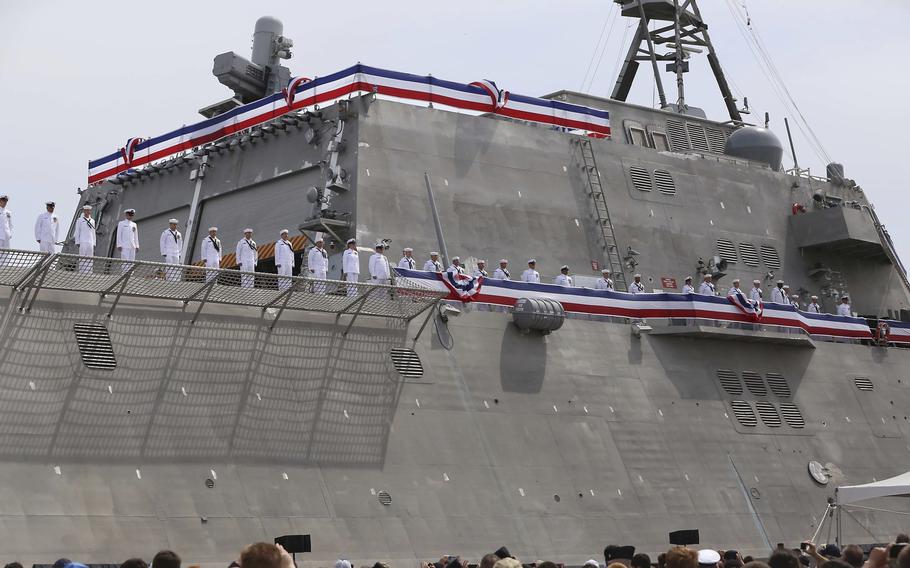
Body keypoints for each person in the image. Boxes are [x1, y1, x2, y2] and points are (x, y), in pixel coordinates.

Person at [73, 205, 96, 273]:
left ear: (90, 211)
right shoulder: (80, 220)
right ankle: (82, 271)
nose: (87, 212)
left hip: (90, 242)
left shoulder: (92, 221)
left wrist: (94, 243)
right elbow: (77, 231)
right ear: (84, 211)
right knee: (82, 257)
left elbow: (93, 232)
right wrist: (77, 242)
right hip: (83, 241)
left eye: (88, 210)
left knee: (90, 257)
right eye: (86, 210)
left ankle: (89, 272)